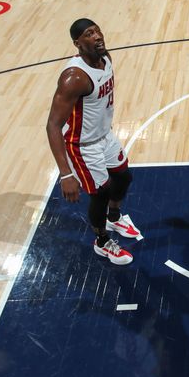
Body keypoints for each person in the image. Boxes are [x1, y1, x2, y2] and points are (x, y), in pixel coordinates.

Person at [46, 18, 141, 265]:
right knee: (100, 193)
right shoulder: (73, 78)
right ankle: (102, 242)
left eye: (98, 31)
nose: (97, 36)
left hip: (105, 135)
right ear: (78, 43)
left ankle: (114, 216)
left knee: (123, 177)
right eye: (89, 34)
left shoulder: (105, 57)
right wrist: (66, 174)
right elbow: (53, 125)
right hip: (83, 146)